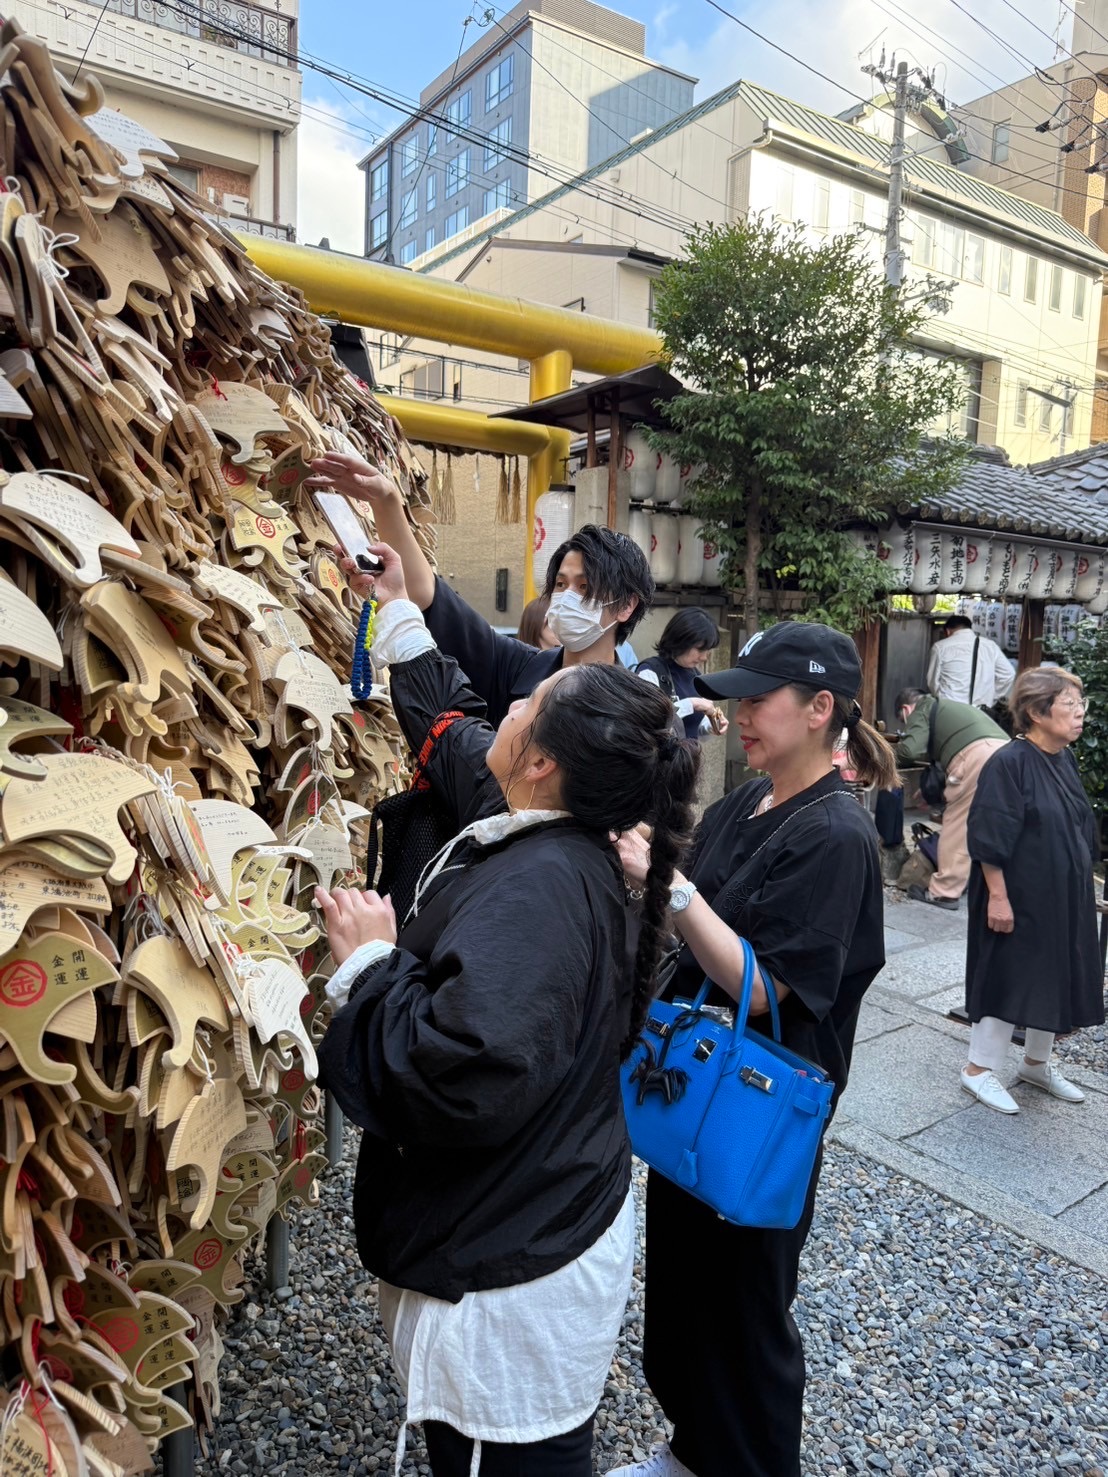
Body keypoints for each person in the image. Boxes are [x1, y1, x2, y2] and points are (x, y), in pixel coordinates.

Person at [316, 542, 700, 1477]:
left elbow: (459, 1070)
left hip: (511, 1266)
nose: (510, 703)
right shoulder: (559, 838)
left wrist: (369, 962)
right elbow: (447, 722)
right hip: (536, 1215)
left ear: (537, 761)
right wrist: (400, 608)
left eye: (525, 704)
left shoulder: (541, 889)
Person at [611, 622, 896, 1477]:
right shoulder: (752, 798)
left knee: (746, 1305)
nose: (740, 714)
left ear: (819, 709)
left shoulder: (838, 835)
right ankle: (694, 1450)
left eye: (759, 698)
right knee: (687, 1286)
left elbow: (772, 988)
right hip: (703, 1083)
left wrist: (676, 885)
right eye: (738, 695)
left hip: (760, 1102)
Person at [306, 451, 654, 723]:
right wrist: (386, 502)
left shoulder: (641, 712)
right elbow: (428, 596)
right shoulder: (516, 667)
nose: (566, 598)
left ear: (626, 606)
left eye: (585, 587)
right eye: (561, 584)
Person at [959, 667, 1104, 1114]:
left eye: (1082, 706)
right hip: (1017, 893)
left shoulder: (1060, 756)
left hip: (1060, 894)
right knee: (1012, 974)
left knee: (1055, 972)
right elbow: (988, 833)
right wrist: (998, 897)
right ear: (1038, 713)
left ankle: (1036, 1063)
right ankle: (978, 1070)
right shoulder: (1009, 762)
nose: (1080, 714)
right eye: (1071, 706)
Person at [895, 688, 1008, 909]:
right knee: (995, 822)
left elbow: (909, 751)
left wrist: (876, 755)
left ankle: (944, 892)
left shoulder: (923, 706)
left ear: (906, 710)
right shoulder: (952, 708)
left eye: (903, 722)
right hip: (1007, 752)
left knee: (958, 823)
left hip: (977, 756)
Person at [635, 608, 729, 742]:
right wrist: (693, 704)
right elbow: (650, 722)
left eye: (707, 651)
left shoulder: (695, 675)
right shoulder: (650, 671)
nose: (704, 657)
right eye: (700, 649)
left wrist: (712, 724)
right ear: (681, 639)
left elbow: (694, 729)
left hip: (689, 759)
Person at [927, 613, 1014, 708]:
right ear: (969, 628)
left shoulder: (940, 647)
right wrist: (992, 697)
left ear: (948, 631)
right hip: (981, 710)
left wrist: (942, 697)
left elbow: (932, 681)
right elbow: (1008, 674)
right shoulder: (990, 646)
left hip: (950, 709)